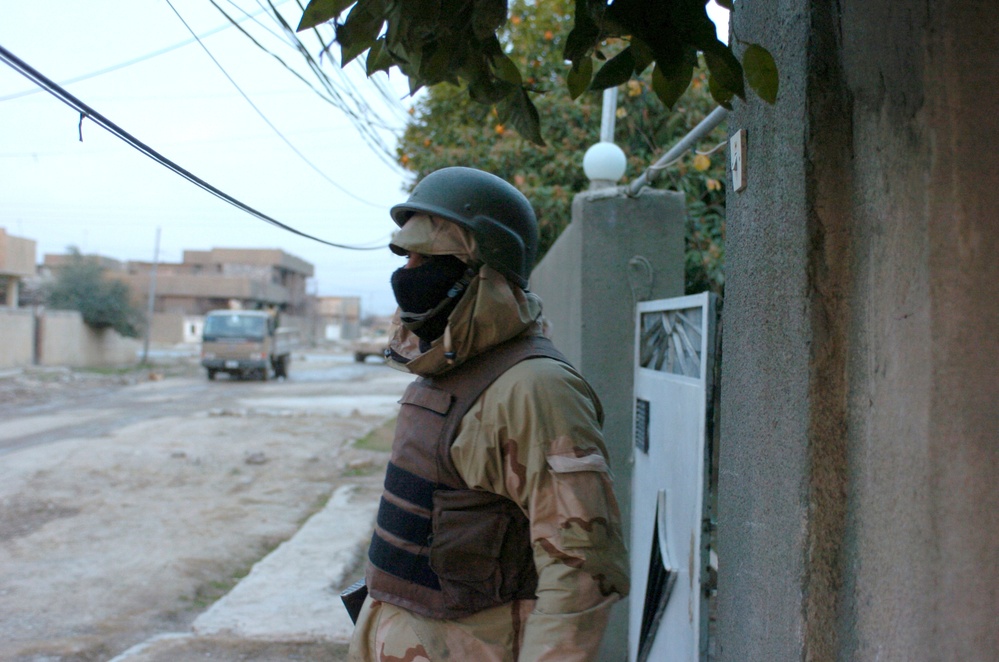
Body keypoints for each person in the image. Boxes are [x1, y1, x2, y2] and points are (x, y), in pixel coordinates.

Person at [348, 166, 629, 662]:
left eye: (427, 257)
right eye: (406, 255)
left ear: (483, 269)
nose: (408, 273)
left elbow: (582, 571)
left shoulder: (535, 389)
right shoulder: (445, 367)